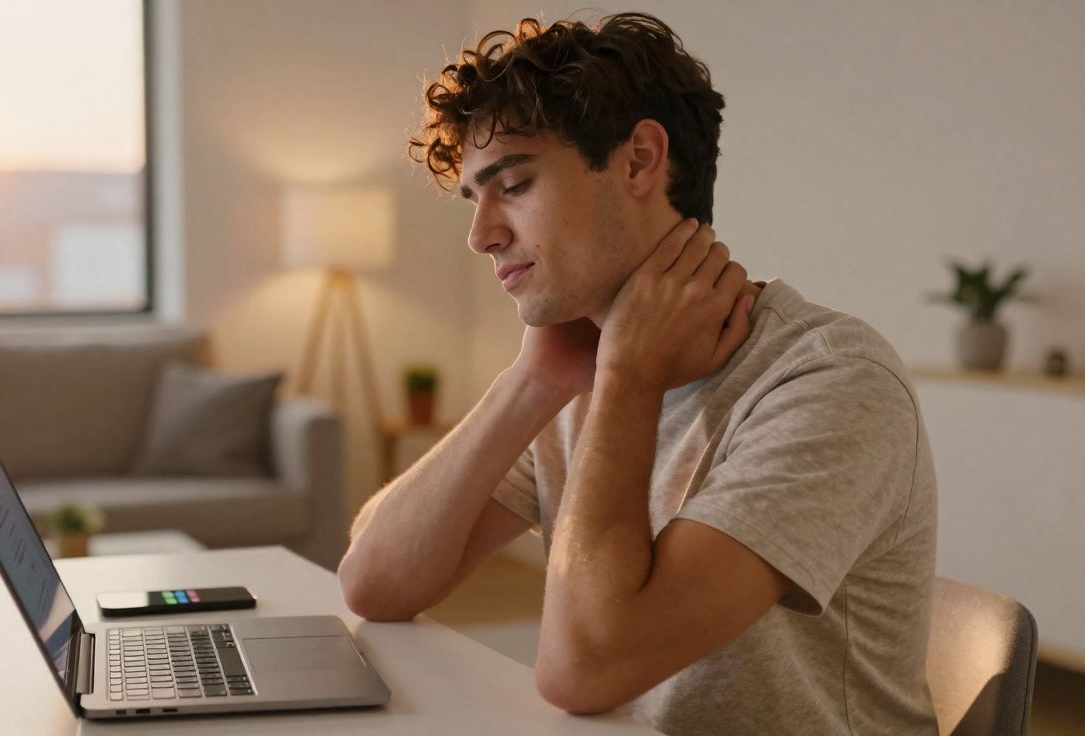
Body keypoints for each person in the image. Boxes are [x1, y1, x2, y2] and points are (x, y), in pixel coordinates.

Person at [337, 12, 938, 734]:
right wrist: (530, 383)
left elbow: (583, 670)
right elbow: (373, 584)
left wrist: (628, 371)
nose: (481, 235)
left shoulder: (832, 383)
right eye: (475, 198)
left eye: (515, 185)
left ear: (639, 161)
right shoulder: (573, 368)